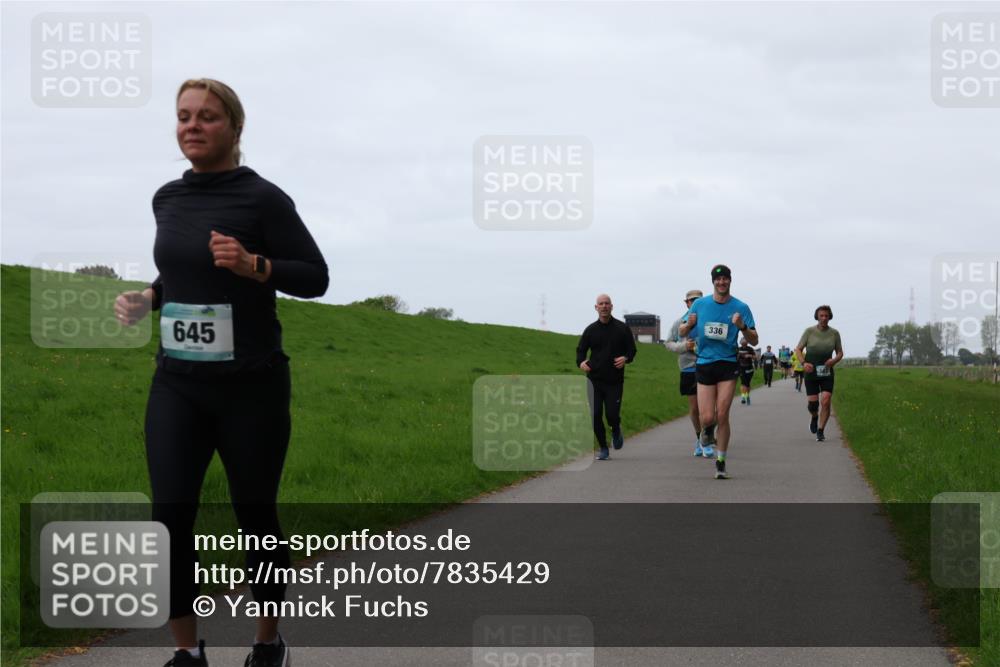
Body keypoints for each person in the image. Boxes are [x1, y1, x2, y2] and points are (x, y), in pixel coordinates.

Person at [115, 79, 329, 667]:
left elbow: (315, 276)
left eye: (207, 116)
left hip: (251, 387)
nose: (192, 126)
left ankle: (267, 642)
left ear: (234, 127)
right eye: (184, 116)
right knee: (168, 519)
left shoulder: (263, 199)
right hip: (178, 384)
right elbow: (180, 273)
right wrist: (149, 298)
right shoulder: (166, 198)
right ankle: (188, 652)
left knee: (254, 515)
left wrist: (255, 264)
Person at [679, 265, 757, 479]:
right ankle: (706, 431)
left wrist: (742, 326)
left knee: (722, 414)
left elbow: (754, 339)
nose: (722, 282)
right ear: (713, 282)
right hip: (704, 362)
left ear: (730, 281)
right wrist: (688, 325)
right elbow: (681, 330)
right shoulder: (700, 304)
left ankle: (721, 462)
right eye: (718, 279)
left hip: (728, 363)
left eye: (725, 279)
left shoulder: (741, 307)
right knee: (707, 417)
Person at [576, 294, 637, 460]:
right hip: (594, 380)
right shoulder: (590, 330)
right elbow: (580, 351)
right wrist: (581, 362)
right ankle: (603, 448)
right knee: (595, 415)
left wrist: (625, 358)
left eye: (607, 303)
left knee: (611, 415)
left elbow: (632, 350)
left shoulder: (622, 328)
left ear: (611, 306)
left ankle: (615, 428)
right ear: (596, 308)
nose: (604, 306)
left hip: (614, 381)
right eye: (601, 304)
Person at [664, 289, 713, 457]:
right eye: (692, 301)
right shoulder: (679, 323)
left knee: (708, 408)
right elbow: (668, 343)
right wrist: (684, 346)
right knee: (694, 407)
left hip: (709, 365)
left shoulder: (709, 321)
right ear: (687, 303)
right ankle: (700, 438)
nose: (695, 303)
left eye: (699, 300)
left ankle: (707, 438)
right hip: (688, 367)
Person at [794, 305, 844, 442]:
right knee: (813, 405)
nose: (824, 318)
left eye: (826, 316)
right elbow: (798, 349)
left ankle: (821, 430)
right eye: (821, 315)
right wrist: (804, 363)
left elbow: (840, 353)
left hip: (827, 372)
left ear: (830, 317)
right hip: (811, 371)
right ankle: (814, 416)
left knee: (826, 401)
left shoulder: (834, 333)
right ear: (817, 316)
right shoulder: (809, 331)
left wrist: (833, 361)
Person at [737, 337, 756, 405]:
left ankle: (747, 396)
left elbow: (755, 357)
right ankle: (743, 397)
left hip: (749, 368)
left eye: (745, 339)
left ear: (747, 342)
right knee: (743, 383)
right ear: (740, 342)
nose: (743, 341)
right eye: (742, 339)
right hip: (741, 368)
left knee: (747, 384)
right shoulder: (738, 349)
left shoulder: (750, 349)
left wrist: (750, 355)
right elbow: (735, 358)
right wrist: (738, 355)